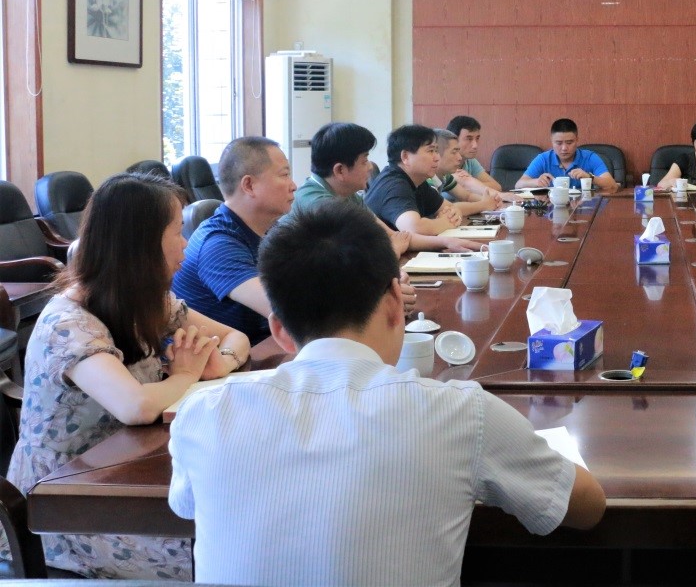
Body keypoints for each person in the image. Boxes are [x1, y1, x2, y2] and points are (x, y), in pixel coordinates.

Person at [168, 201, 607, 586]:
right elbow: (587, 508)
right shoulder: (459, 413)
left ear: (279, 330)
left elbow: (186, 507)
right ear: (396, 303)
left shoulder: (204, 413)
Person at [7, 173, 250, 579]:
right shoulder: (68, 323)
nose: (185, 244)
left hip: (130, 469)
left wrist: (220, 362)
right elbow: (134, 406)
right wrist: (186, 374)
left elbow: (236, 337)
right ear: (142, 243)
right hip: (67, 505)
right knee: (220, 553)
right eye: (177, 232)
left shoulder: (148, 300)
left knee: (233, 524)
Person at [172, 136, 296, 343]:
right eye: (284, 175)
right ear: (249, 185)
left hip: (254, 346)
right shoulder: (217, 244)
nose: (293, 185)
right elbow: (293, 314)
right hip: (220, 357)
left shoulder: (272, 230)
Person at [292, 121, 413, 257]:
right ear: (340, 170)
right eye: (364, 161)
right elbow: (357, 263)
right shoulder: (320, 206)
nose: (370, 167)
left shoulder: (348, 195)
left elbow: (391, 236)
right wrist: (394, 250)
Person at [364, 124, 484, 251]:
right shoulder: (394, 184)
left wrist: (448, 217)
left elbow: (452, 209)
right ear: (405, 157)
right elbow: (415, 229)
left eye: (436, 151)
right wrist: (444, 222)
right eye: (430, 151)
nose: (437, 158)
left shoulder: (418, 180)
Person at [517, 118, 618, 192]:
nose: (564, 148)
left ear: (577, 140)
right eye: (559, 143)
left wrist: (589, 177)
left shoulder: (590, 158)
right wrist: (536, 181)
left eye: (569, 142)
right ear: (552, 141)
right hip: (551, 209)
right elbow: (518, 185)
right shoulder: (543, 159)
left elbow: (612, 185)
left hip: (583, 208)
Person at [426, 127, 502, 215]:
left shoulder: (445, 176)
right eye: (454, 152)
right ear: (436, 154)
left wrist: (491, 201)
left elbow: (467, 196)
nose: (459, 157)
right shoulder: (426, 180)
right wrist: (483, 205)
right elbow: (447, 209)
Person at [447, 114, 502, 193]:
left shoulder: (470, 161)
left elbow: (497, 187)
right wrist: (471, 185)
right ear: (453, 139)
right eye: (469, 139)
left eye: (477, 138)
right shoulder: (441, 163)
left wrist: (470, 181)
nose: (475, 145)